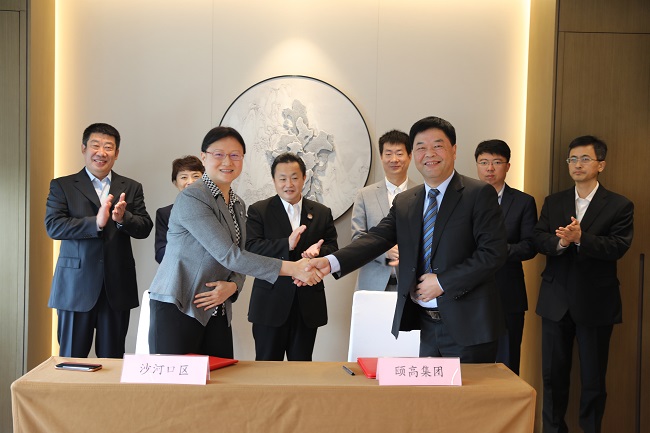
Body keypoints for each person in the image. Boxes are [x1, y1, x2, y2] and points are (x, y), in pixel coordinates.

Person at [304, 116, 507, 363]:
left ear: (454, 150)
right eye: (421, 147)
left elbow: (493, 253)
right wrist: (330, 262)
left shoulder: (478, 194)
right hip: (427, 324)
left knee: (466, 390)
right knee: (428, 388)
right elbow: (376, 238)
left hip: (469, 326)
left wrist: (443, 282)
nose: (429, 154)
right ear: (414, 154)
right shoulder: (407, 201)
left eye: (438, 146)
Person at [148, 126, 322, 358]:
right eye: (218, 154)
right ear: (204, 157)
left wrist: (234, 286)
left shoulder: (237, 204)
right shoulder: (193, 197)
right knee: (178, 380)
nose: (227, 161)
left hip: (217, 306)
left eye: (235, 155)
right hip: (180, 304)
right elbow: (229, 255)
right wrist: (294, 269)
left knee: (222, 378)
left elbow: (242, 252)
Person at [534, 135, 633, 433]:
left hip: (596, 303)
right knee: (552, 378)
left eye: (585, 159)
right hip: (555, 302)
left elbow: (618, 246)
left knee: (593, 380)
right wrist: (562, 242)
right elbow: (539, 238)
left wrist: (581, 239)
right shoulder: (554, 201)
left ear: (601, 165)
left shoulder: (619, 205)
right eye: (573, 159)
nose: (577, 164)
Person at [45, 123, 153, 358]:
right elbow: (53, 226)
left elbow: (145, 227)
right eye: (95, 145)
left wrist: (123, 218)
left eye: (108, 147)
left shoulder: (131, 187)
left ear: (117, 153)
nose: (101, 152)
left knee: (112, 362)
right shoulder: (62, 185)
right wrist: (96, 222)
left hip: (117, 287)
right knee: (71, 361)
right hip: (74, 287)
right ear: (84, 148)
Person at [246, 152, 338, 361]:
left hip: (307, 304)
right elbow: (251, 248)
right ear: (274, 180)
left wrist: (318, 254)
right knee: (267, 369)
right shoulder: (259, 210)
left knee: (302, 369)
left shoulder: (322, 212)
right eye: (282, 178)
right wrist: (285, 244)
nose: (289, 184)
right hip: (270, 303)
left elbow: (333, 248)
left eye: (295, 177)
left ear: (304, 178)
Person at [474, 139, 537, 374]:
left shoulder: (523, 202)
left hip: (508, 293)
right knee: (471, 364)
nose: (489, 168)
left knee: (507, 363)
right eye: (484, 162)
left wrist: (495, 252)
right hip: (469, 293)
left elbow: (530, 246)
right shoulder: (462, 200)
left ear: (508, 166)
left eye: (497, 162)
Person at [351, 130, 418, 291]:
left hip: (412, 285)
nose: (394, 159)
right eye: (388, 154)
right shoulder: (364, 195)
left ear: (410, 156)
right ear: (381, 157)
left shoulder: (422, 193)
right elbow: (357, 238)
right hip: (372, 284)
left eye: (399, 153)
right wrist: (384, 252)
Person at [154, 155, 204, 263]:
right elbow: (160, 254)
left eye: (196, 176)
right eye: (184, 177)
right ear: (175, 183)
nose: (190, 181)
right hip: (179, 270)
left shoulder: (216, 210)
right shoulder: (165, 213)